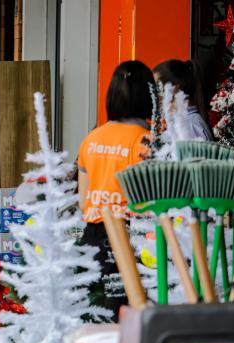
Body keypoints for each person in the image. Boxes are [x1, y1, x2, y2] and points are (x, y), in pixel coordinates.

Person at [77, 60, 154, 315]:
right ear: (149, 96)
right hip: (131, 241)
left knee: (96, 317)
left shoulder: (91, 139)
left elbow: (83, 201)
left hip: (92, 238)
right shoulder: (147, 142)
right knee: (127, 321)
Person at [153, 59, 213, 141]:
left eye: (157, 88)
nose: (154, 95)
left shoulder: (189, 126)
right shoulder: (185, 122)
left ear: (175, 88)